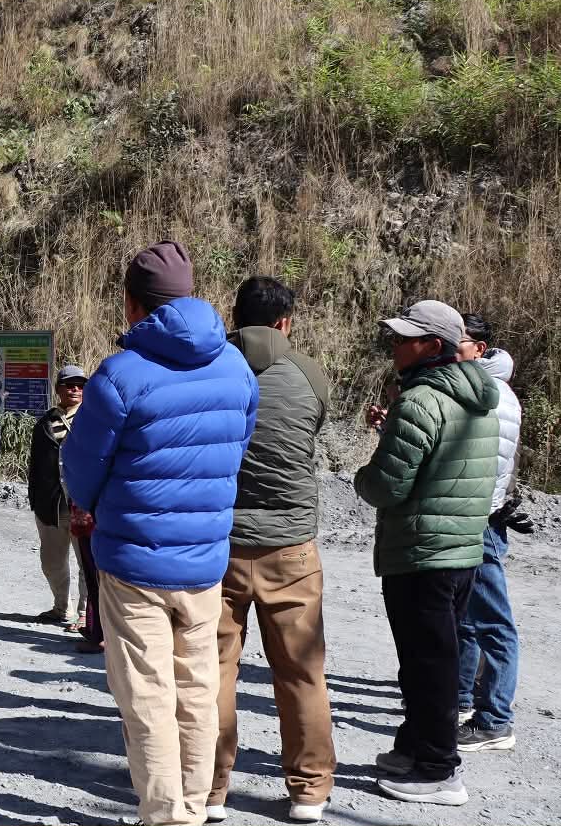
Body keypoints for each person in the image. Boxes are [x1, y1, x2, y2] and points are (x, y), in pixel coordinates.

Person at [62, 241, 259, 826]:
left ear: (132, 303)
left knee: (146, 694)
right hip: (204, 559)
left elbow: (81, 471)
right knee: (197, 688)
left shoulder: (120, 374)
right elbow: (237, 447)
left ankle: (167, 815)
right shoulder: (236, 367)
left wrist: (97, 505)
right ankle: (195, 807)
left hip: (133, 562)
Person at [355, 300, 499, 806]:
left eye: (404, 339)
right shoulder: (481, 399)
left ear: (433, 346)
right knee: (430, 660)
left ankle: (439, 771)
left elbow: (386, 486)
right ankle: (415, 748)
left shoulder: (419, 401)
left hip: (422, 552)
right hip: (461, 550)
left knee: (428, 666)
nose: (395, 345)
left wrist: (362, 477)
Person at [210, 277, 335, 824]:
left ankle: (210, 789)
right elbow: (312, 431)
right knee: (302, 673)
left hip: (221, 543)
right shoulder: (309, 374)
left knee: (213, 670)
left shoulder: (210, 369)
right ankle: (309, 791)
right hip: (291, 545)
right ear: (285, 322)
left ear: (234, 316)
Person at [454, 313, 524, 753]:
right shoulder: (486, 388)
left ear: (479, 349)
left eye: (456, 341)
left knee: (494, 623)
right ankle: (463, 699)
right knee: (468, 618)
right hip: (481, 517)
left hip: (479, 519)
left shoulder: (488, 394)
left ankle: (495, 720)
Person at [27, 364, 88, 631]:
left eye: (80, 385)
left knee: (87, 562)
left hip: (84, 504)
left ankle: (86, 613)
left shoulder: (94, 419)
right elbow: (35, 465)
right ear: (58, 389)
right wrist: (35, 499)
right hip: (51, 504)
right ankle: (61, 607)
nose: (75, 389)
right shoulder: (45, 422)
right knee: (51, 562)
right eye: (69, 384)